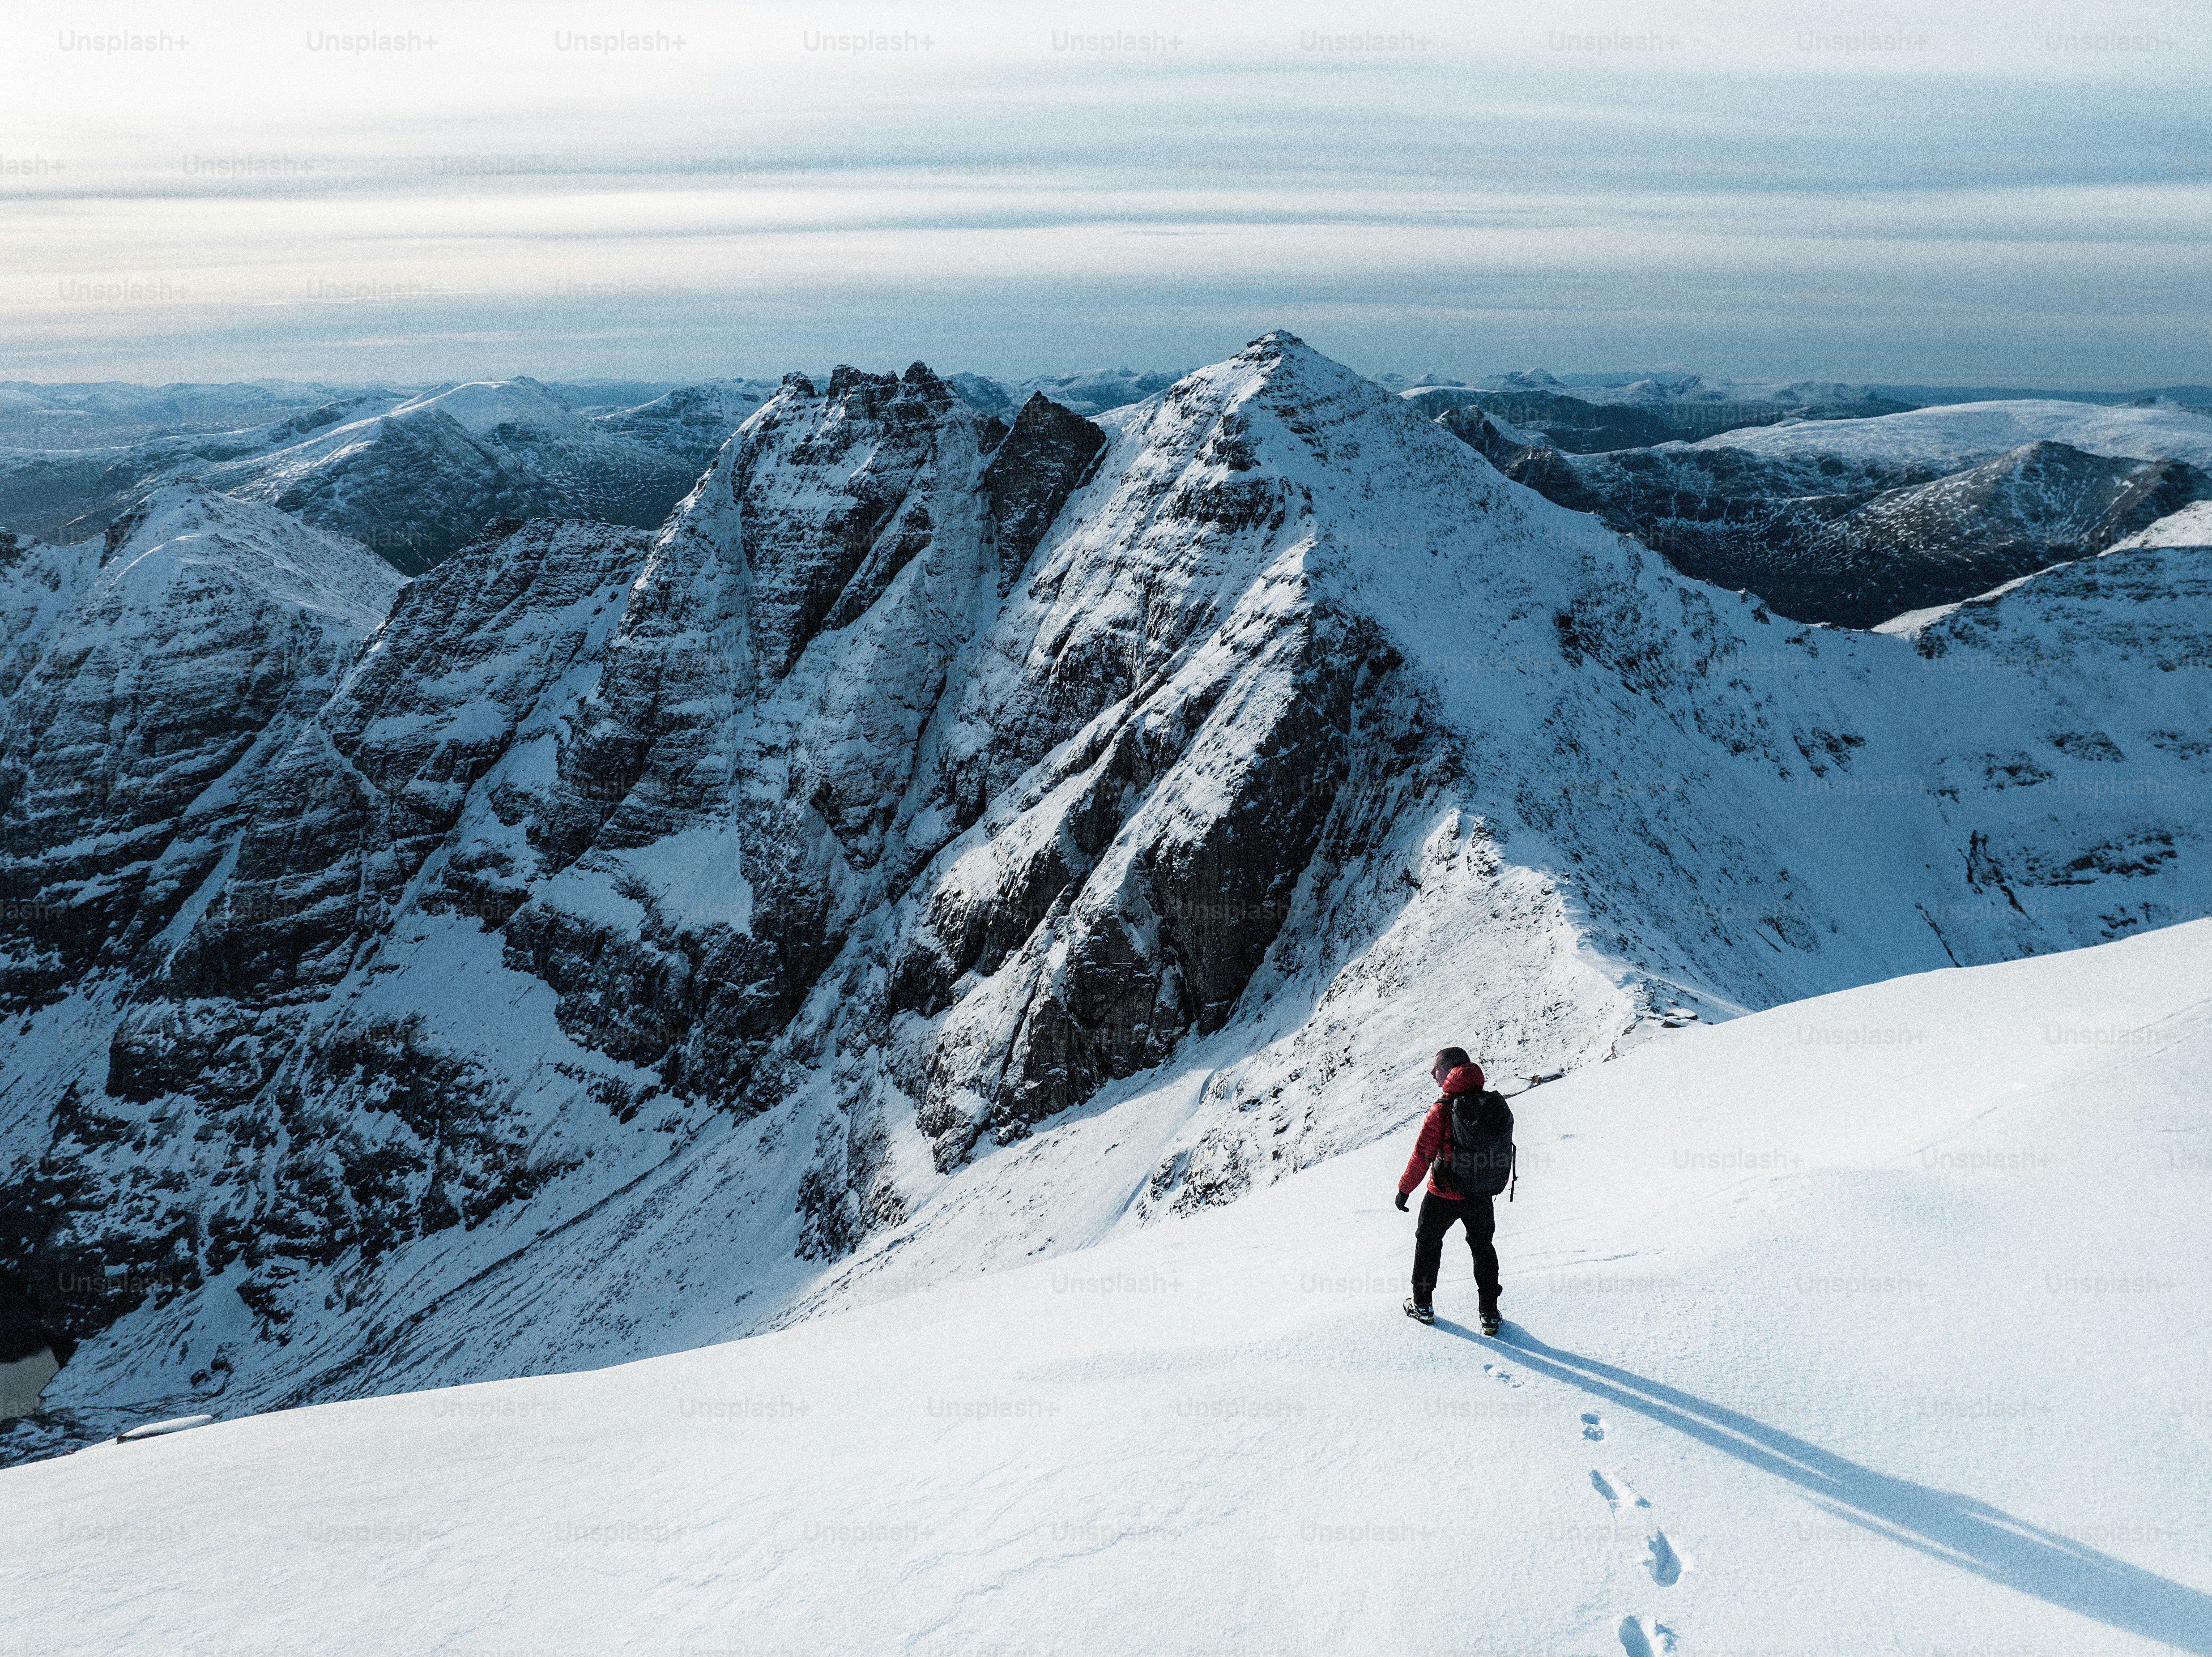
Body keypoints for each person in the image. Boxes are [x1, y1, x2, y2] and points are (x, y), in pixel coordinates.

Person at [1395, 1046, 1504, 1334]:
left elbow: (1422, 1155)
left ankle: (1422, 1305)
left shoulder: (1442, 1109)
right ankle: (1490, 1314)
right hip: (1480, 1193)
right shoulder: (1489, 1104)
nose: (1433, 1073)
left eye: (1437, 1069)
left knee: (1428, 1245)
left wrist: (1404, 1190)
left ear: (1452, 1070)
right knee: (1483, 1249)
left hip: (1442, 1193)